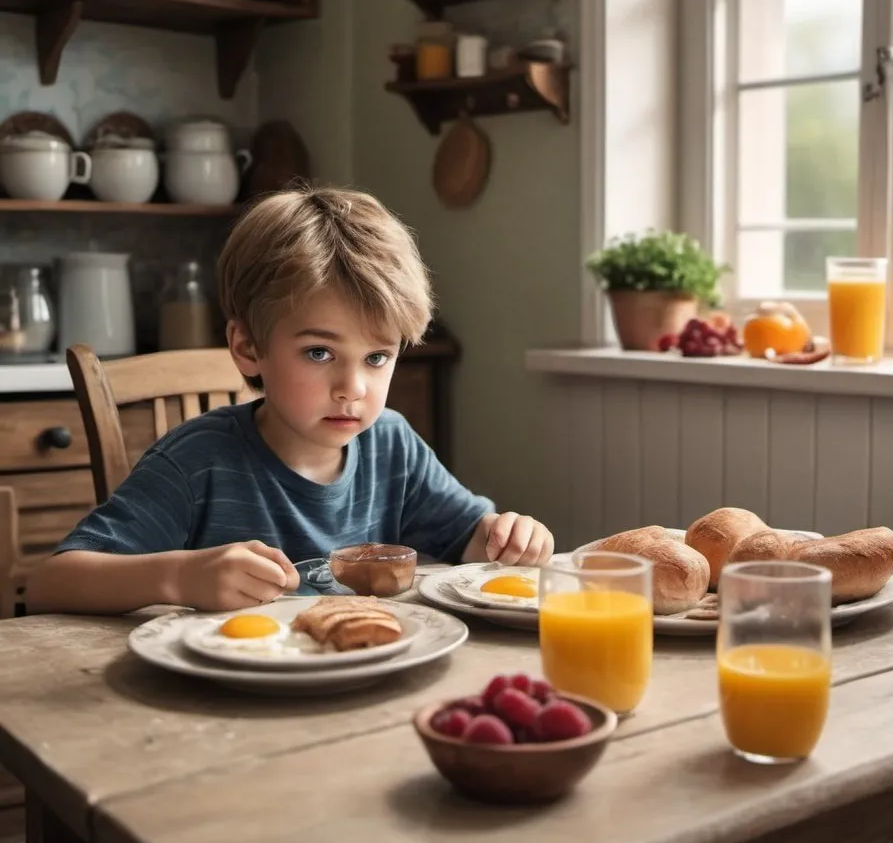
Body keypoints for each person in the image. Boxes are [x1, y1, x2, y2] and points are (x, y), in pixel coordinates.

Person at [26, 187, 554, 614]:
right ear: (247, 347)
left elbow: (473, 540)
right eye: (320, 352)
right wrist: (179, 576)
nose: (354, 387)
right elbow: (53, 583)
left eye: (376, 358)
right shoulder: (197, 461)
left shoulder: (392, 444)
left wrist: (508, 537)